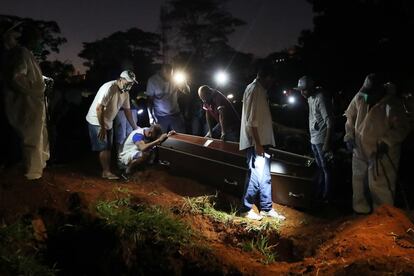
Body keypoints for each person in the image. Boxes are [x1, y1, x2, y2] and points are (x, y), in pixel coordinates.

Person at [344, 73, 410, 214]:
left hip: (382, 153)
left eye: (370, 93)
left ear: (380, 90)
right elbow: (349, 117)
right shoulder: (362, 96)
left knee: (380, 185)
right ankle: (361, 211)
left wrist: (386, 141)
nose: (366, 97)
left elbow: (402, 128)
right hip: (359, 149)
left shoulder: (392, 104)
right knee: (358, 182)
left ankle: (382, 216)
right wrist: (349, 136)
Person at [1, 22, 49, 180]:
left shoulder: (24, 53)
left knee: (35, 136)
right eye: (38, 39)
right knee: (30, 137)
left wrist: (41, 81)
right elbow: (17, 78)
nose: (40, 43)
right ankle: (31, 174)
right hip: (27, 103)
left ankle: (33, 171)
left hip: (31, 102)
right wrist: (38, 89)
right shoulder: (21, 53)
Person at [239, 64, 286, 221]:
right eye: (271, 80)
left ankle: (266, 208)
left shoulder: (256, 89)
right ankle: (245, 209)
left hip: (261, 140)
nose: (272, 83)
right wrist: (257, 144)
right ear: (267, 77)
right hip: (256, 141)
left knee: (264, 175)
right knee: (255, 174)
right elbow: (251, 121)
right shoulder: (256, 90)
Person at [86, 70, 139, 180]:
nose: (130, 85)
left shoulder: (125, 93)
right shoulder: (110, 87)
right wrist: (102, 127)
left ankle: (107, 169)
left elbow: (127, 110)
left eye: (132, 83)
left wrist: (135, 127)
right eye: (128, 82)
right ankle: (106, 172)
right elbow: (99, 108)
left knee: (109, 146)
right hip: (96, 120)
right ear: (121, 79)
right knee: (103, 147)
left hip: (108, 121)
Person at [296, 76, 334, 202]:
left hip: (322, 140)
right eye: (301, 90)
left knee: (326, 169)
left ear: (311, 88)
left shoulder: (321, 98)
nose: (302, 93)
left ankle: (327, 196)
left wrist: (327, 143)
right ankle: (320, 193)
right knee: (320, 168)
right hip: (314, 139)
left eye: (304, 90)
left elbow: (330, 121)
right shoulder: (310, 98)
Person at [145, 64, 190, 133]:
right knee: (160, 138)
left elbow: (187, 92)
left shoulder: (175, 79)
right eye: (167, 74)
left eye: (171, 74)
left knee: (181, 136)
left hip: (175, 114)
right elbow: (149, 101)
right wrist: (151, 117)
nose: (169, 77)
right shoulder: (153, 81)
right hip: (160, 116)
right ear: (162, 72)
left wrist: (184, 83)